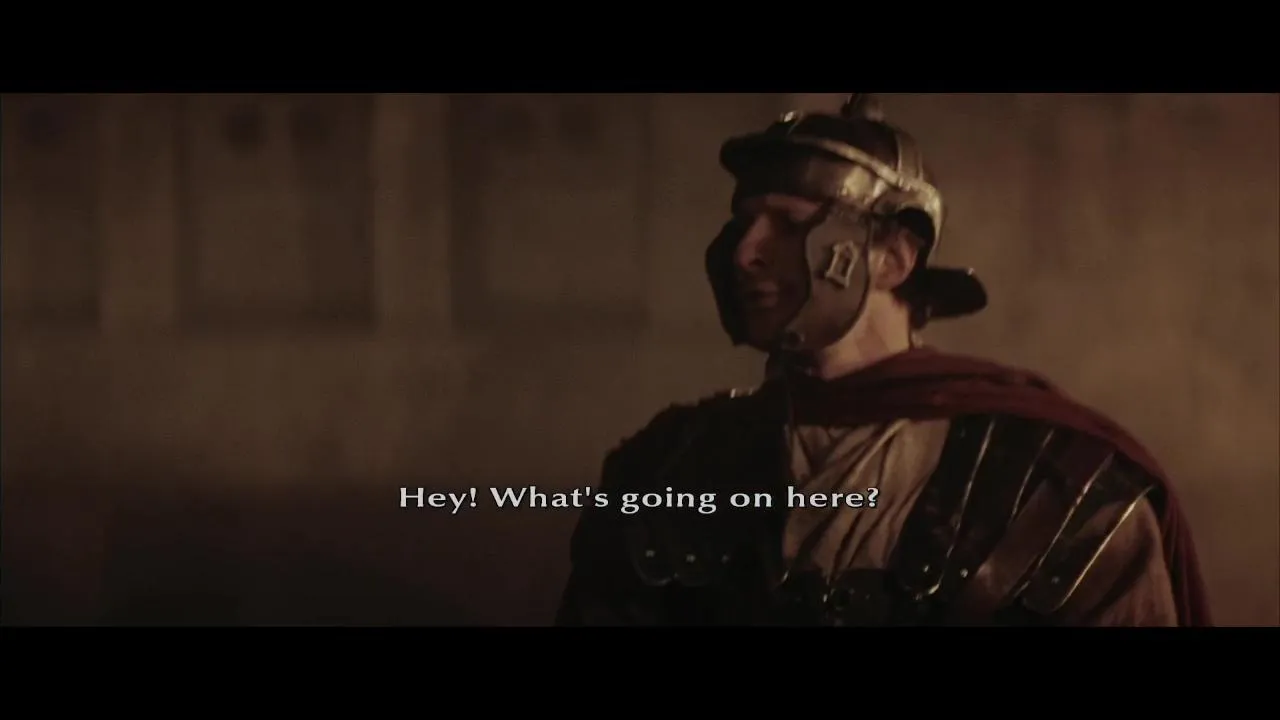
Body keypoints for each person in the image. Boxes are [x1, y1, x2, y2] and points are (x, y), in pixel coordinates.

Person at [555, 94, 1212, 626]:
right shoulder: (671, 463)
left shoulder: (1059, 485)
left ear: (894, 258)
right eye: (743, 222)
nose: (745, 252)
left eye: (789, 223)